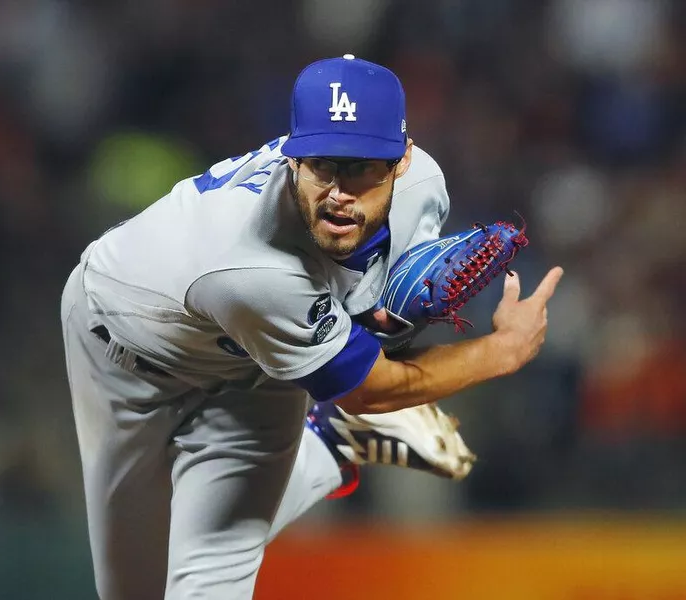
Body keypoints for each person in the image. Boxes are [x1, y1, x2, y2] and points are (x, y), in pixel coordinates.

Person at [60, 54, 563, 600]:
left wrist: (390, 325)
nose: (339, 192)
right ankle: (329, 442)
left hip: (261, 360)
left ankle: (326, 438)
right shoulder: (250, 266)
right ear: (292, 158)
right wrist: (503, 350)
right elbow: (371, 388)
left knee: (207, 579)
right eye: (322, 163)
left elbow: (372, 320)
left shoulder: (424, 187)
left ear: (402, 160)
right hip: (126, 354)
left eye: (362, 165)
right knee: (136, 591)